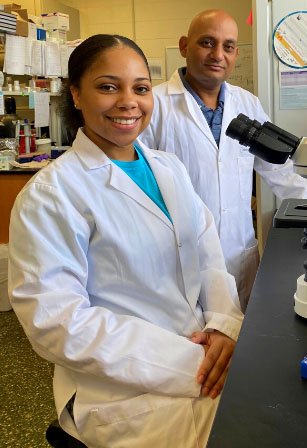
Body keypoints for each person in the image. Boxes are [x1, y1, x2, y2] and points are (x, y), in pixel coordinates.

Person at [8, 34, 243, 448]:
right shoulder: (53, 193)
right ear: (76, 94)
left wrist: (223, 326)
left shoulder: (169, 169)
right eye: (108, 87)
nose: (128, 101)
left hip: (203, 356)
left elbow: (208, 253)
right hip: (122, 392)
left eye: (140, 88)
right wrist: (194, 363)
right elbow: (56, 323)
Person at [139, 9, 307, 311]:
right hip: (179, 257)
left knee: (240, 344)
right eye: (207, 42)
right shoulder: (155, 106)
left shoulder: (247, 103)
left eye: (228, 46)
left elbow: (279, 169)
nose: (218, 54)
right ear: (184, 46)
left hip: (238, 253)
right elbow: (137, 186)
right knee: (193, 346)